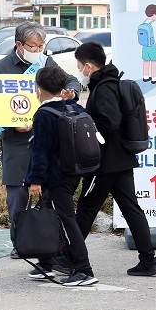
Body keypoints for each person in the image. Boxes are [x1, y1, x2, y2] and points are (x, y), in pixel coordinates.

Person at [0, 21, 80, 258]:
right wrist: (12, 124)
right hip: (16, 142)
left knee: (50, 193)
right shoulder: (0, 68)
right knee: (17, 197)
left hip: (45, 140)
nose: (37, 51)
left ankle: (52, 242)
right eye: (33, 46)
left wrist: (71, 92)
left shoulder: (45, 62)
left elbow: (70, 80)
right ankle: (19, 243)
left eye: (41, 46)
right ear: (19, 45)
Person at [74, 41, 156, 276]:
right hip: (121, 159)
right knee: (131, 208)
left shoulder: (103, 88)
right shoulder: (110, 83)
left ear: (89, 66)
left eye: (79, 66)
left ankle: (69, 257)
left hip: (104, 162)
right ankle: (148, 260)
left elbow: (109, 121)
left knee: (86, 207)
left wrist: (89, 127)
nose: (79, 70)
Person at [24, 66, 98, 286]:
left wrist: (35, 180)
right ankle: (48, 263)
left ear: (38, 89)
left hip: (56, 178)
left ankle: (84, 270)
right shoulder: (72, 107)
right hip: (74, 171)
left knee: (66, 221)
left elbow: (40, 151)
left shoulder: (44, 115)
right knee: (50, 215)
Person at [141, 4, 156, 83]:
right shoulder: (154, 23)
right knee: (154, 62)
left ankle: (145, 77)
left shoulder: (145, 22)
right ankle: (154, 79)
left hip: (145, 46)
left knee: (146, 61)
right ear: (154, 14)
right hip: (153, 46)